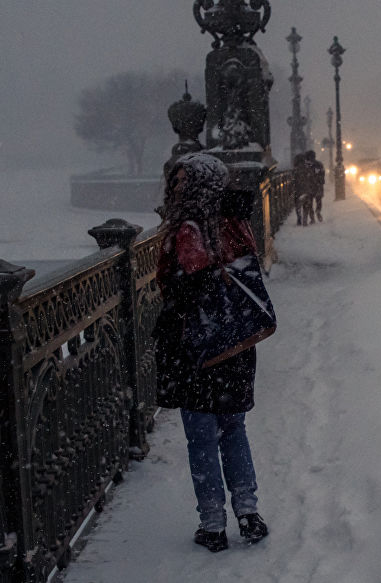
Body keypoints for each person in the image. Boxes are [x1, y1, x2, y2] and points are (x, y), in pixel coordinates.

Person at [154, 153, 269, 553]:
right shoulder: (235, 221)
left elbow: (187, 289)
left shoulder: (188, 229)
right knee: (233, 428)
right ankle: (249, 513)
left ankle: (213, 523)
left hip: (199, 347)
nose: (176, 189)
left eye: (183, 182)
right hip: (236, 344)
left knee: (201, 437)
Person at [306, 150, 326, 222]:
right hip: (318, 185)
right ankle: (318, 212)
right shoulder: (319, 164)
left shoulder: (306, 165)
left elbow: (304, 176)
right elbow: (323, 174)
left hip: (309, 186)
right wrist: (321, 182)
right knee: (319, 201)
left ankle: (312, 218)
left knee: (309, 203)